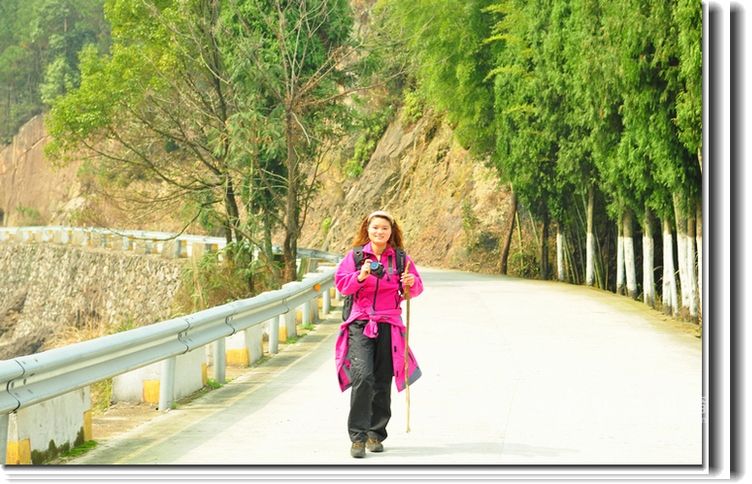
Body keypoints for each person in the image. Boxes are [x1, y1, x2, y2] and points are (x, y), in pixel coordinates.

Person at [334, 210, 424, 458]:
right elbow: (342, 285)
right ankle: (358, 438)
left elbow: (415, 289)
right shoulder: (355, 256)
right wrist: (360, 275)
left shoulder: (401, 259)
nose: (379, 232)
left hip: (389, 323)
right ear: (367, 229)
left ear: (391, 231)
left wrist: (410, 283)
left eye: (384, 228)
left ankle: (376, 434)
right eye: (375, 227)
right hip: (361, 323)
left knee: (383, 379)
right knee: (363, 376)